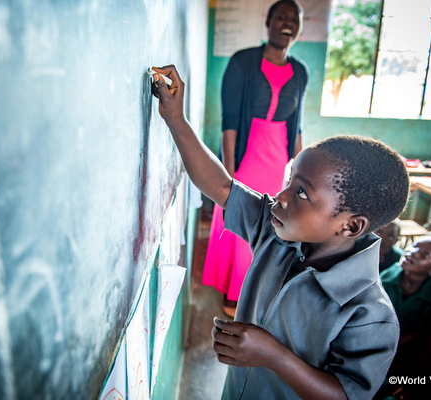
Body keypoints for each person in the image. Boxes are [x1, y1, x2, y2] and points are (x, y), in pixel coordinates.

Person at [151, 65, 410, 399]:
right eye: (289, 181)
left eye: (301, 192)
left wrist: (273, 356)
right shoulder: (279, 232)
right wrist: (174, 117)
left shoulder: (369, 314)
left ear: (350, 226)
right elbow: (219, 185)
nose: (280, 196)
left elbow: (347, 395)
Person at [202, 0, 309, 317]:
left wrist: (300, 173)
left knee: (270, 219)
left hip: (278, 158)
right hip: (247, 153)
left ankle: (253, 283)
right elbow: (230, 121)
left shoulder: (300, 71)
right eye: (281, 17)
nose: (287, 23)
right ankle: (234, 292)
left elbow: (297, 124)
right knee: (242, 212)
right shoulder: (243, 62)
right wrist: (229, 173)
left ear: (299, 26)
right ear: (269, 22)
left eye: (294, 18)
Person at [376, 236, 431, 399]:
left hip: (402, 362)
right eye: (414, 246)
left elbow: (426, 342)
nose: (413, 252)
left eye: (425, 254)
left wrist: (412, 379)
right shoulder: (386, 276)